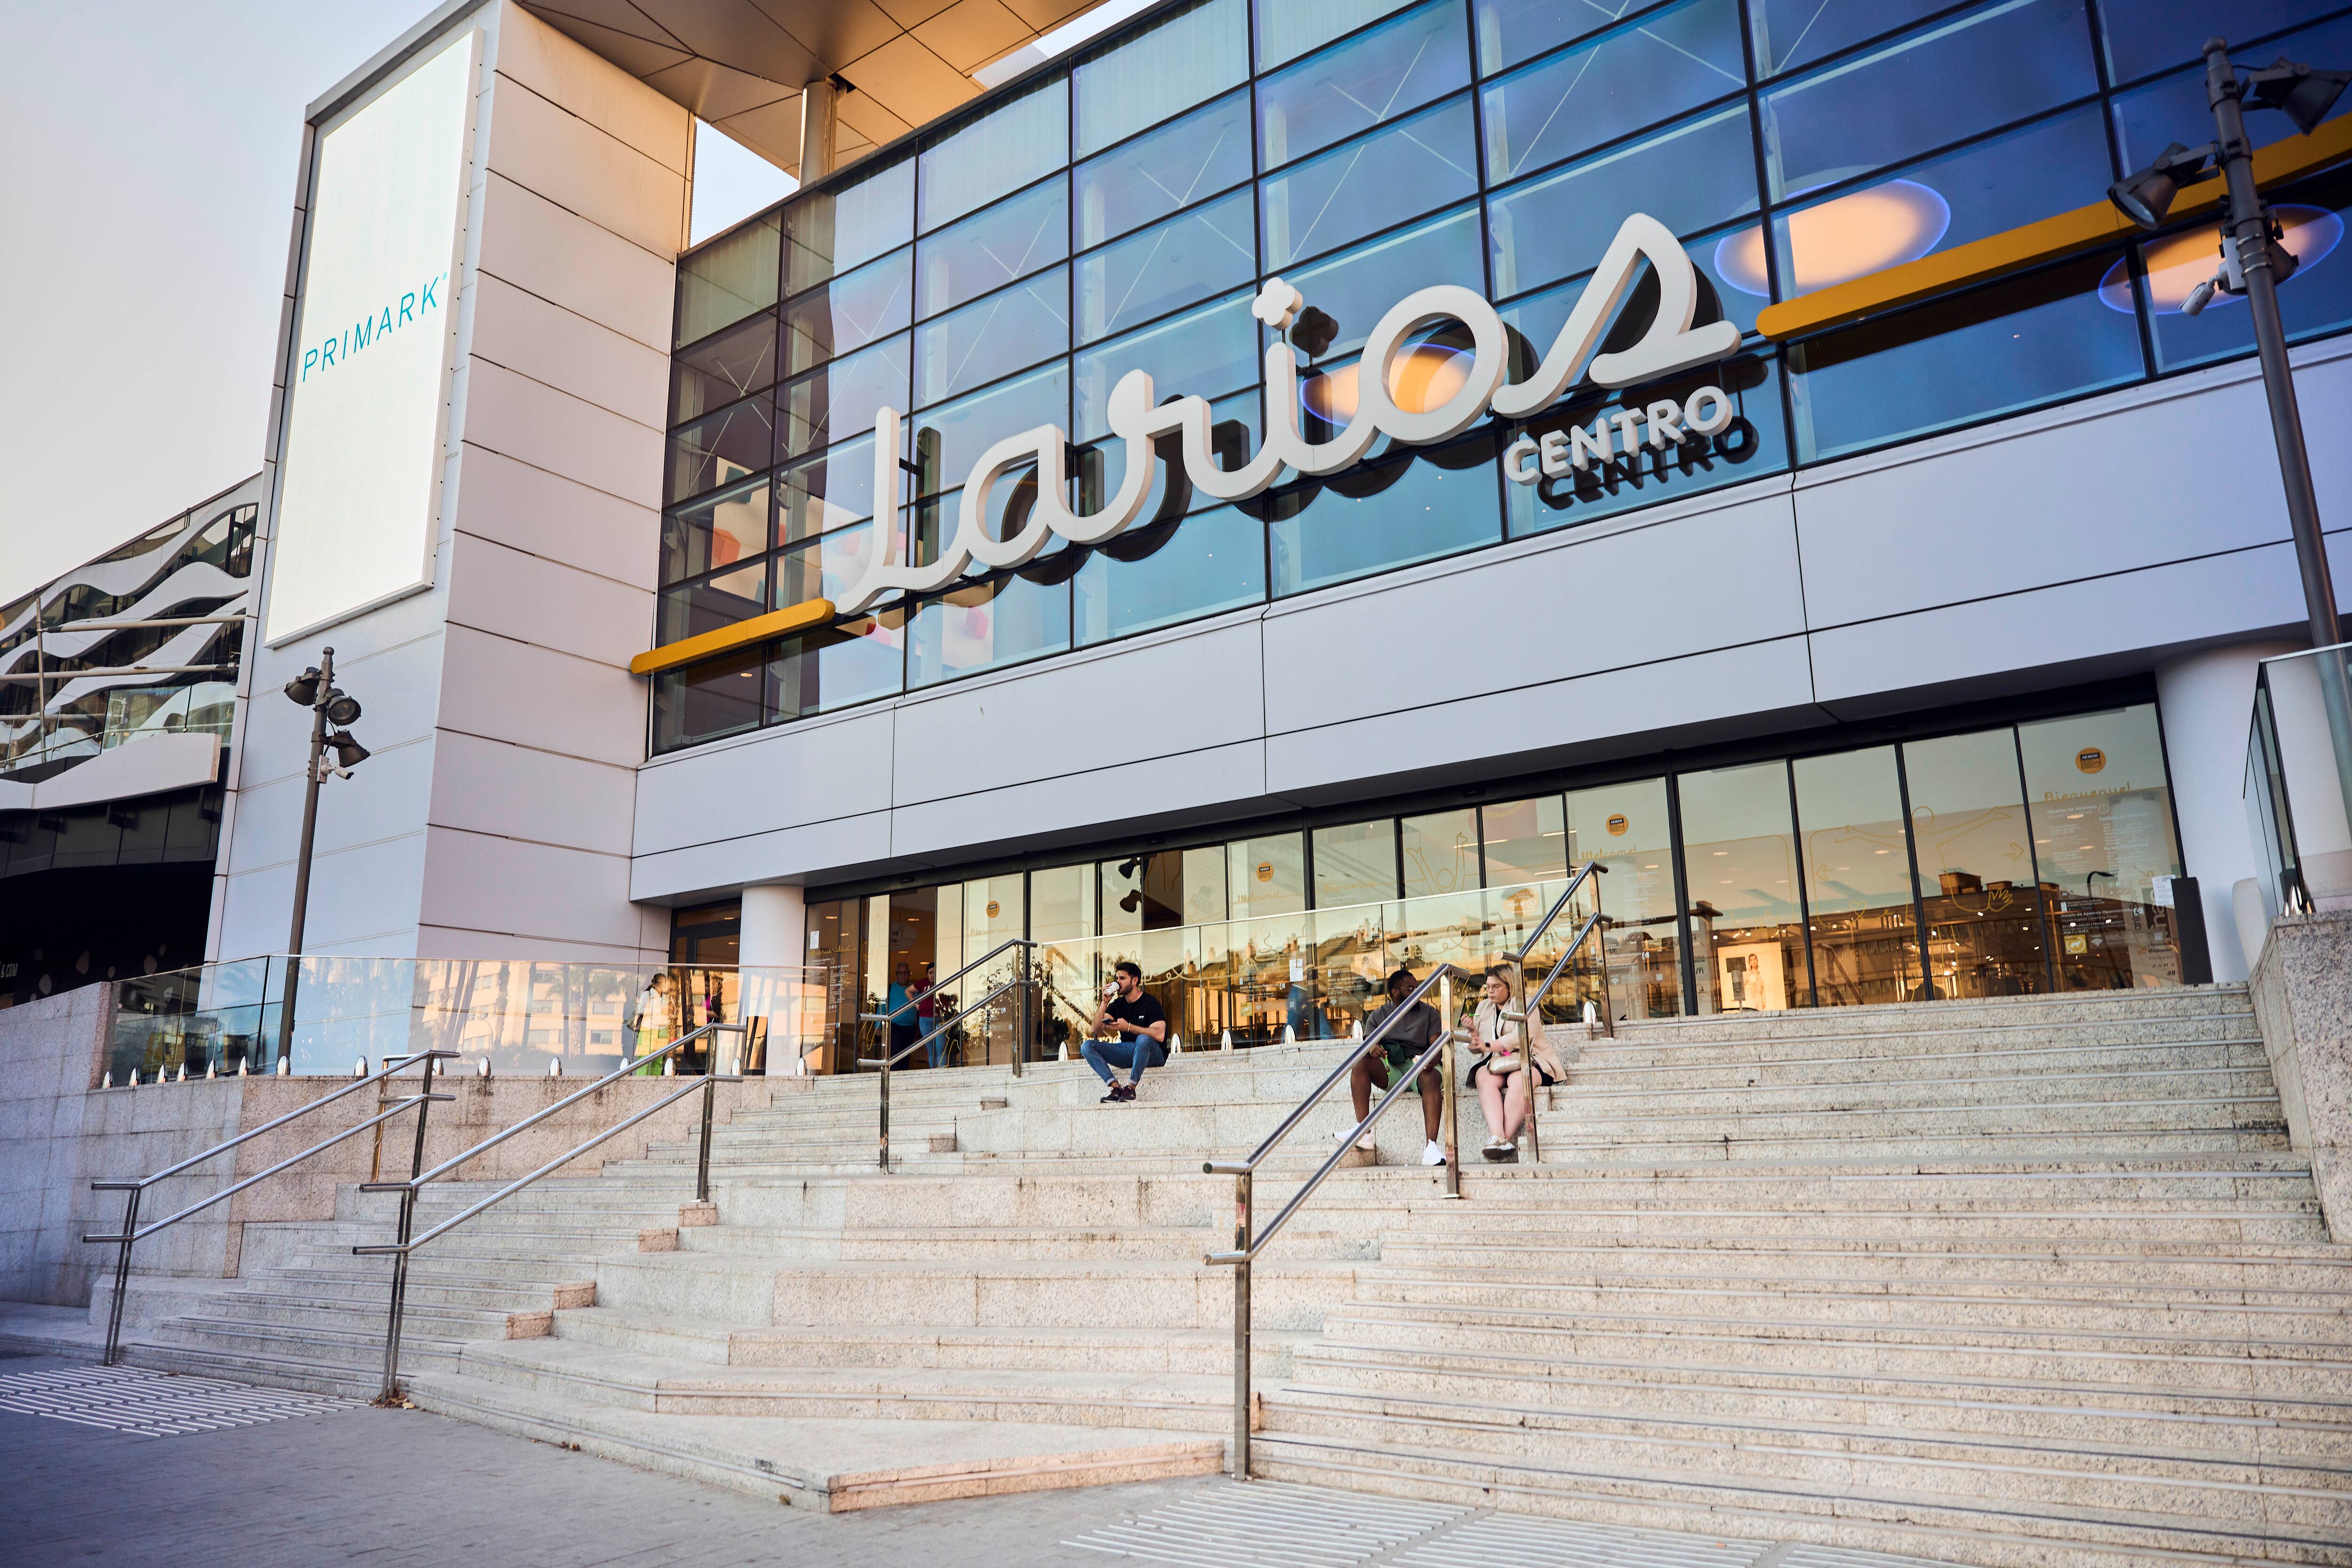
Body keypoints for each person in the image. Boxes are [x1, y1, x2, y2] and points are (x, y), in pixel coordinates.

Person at [1342, 968, 1449, 1166]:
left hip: (1422, 1068)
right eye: (1411, 988)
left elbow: (1437, 1048)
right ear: (1395, 992)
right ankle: (1363, 1131)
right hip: (1393, 1068)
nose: (1417, 991)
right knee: (1360, 1064)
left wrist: (1428, 1061)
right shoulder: (1379, 1015)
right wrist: (1373, 1048)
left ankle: (1431, 1148)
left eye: (1418, 987)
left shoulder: (1429, 1013)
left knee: (1432, 1077)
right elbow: (1369, 1042)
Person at [1465, 963, 1565, 1159]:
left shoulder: (1526, 1004)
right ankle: (1498, 1137)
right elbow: (1479, 1046)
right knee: (1483, 1077)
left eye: (1496, 987)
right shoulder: (1484, 1007)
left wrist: (1487, 1045)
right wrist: (1472, 1034)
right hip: (1500, 1061)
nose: (1490, 992)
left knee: (1519, 1080)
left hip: (1531, 1059)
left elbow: (1521, 1037)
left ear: (1510, 986)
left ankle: (1503, 1139)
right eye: (1487, 987)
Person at [1085, 960, 1167, 1102]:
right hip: (1129, 1051)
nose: (1118, 982)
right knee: (1087, 1046)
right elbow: (1095, 1029)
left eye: (1122, 978)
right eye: (1117, 978)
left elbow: (1160, 1035)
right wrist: (1105, 1002)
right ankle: (1116, 1088)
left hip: (1153, 1054)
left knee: (1143, 1039)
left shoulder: (1150, 1002)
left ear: (1134, 981)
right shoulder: (1118, 1004)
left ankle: (1131, 1088)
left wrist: (1129, 1027)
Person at [630, 972, 675, 1077]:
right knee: (645, 1058)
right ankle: (641, 1081)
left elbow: (668, 1015)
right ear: (654, 984)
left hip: (663, 1030)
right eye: (660, 983)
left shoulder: (665, 997)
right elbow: (641, 1010)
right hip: (649, 1029)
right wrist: (657, 1011)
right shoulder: (647, 995)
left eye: (664, 983)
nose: (662, 986)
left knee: (659, 1060)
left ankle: (656, 1079)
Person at [883, 962, 918, 1065]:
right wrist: (878, 1026)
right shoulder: (890, 988)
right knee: (896, 1053)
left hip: (911, 1027)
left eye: (906, 973)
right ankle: (894, 1076)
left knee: (907, 1055)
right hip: (895, 1027)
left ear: (910, 974)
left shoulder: (915, 989)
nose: (903, 975)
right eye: (901, 973)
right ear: (897, 974)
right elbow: (882, 1007)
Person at [914, 963, 945, 1068]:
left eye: (934, 973)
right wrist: (917, 1006)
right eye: (930, 973)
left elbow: (955, 995)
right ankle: (934, 1072)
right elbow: (908, 991)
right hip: (925, 1020)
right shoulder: (924, 983)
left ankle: (942, 1071)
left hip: (940, 1019)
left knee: (941, 1048)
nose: (932, 975)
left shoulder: (943, 983)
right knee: (931, 1050)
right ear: (927, 974)